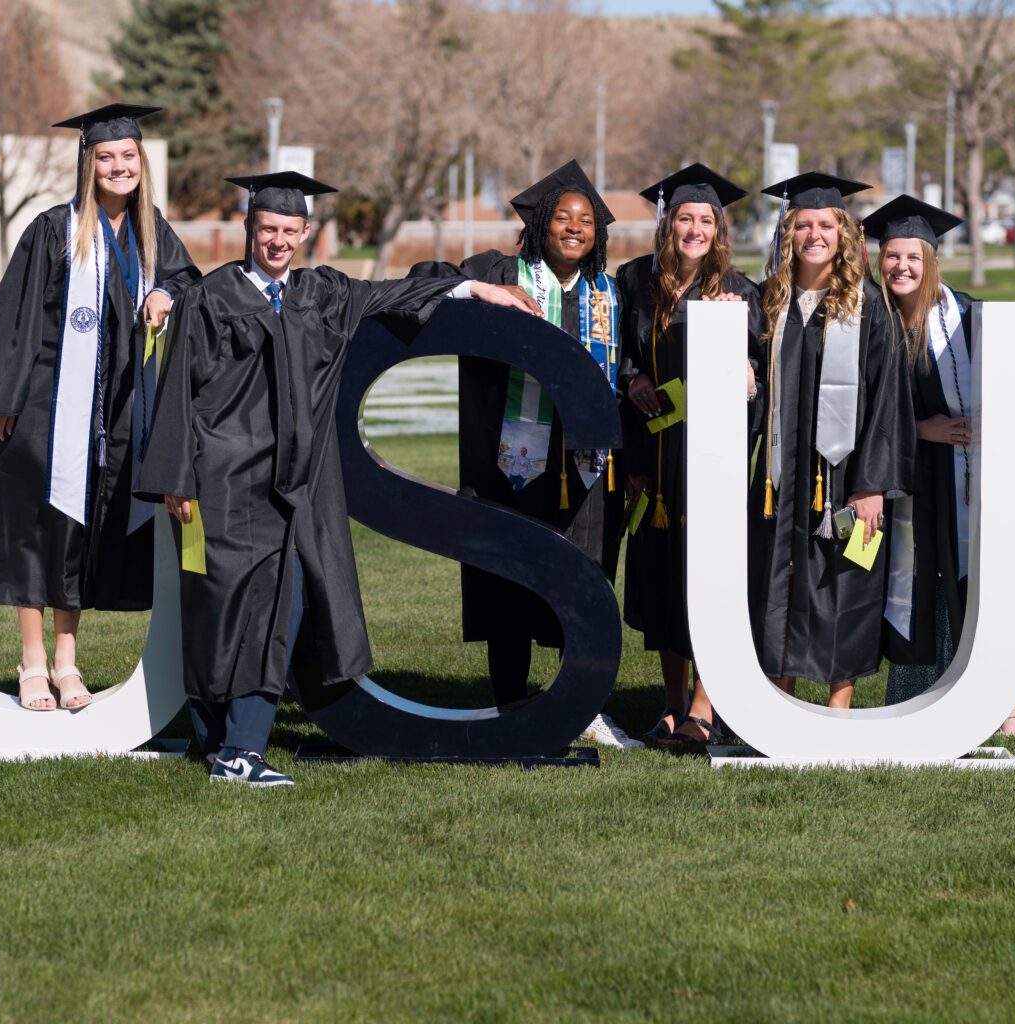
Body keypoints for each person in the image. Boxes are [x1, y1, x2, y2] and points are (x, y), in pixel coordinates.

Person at [138, 171, 536, 787]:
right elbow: (176, 394)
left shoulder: (319, 293)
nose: (277, 241)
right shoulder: (210, 298)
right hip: (221, 480)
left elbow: (392, 293)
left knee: (286, 604)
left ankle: (243, 748)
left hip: (297, 487)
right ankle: (219, 740)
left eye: (289, 231)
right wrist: (176, 477)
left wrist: (475, 290)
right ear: (249, 227)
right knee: (218, 611)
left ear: (304, 233)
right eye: (267, 228)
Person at [0, 103, 200, 712]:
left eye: (128, 156)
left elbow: (191, 284)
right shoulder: (54, 227)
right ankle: (31, 663)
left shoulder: (153, 230)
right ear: (88, 163)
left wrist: (165, 291)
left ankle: (68, 663)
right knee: (34, 531)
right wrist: (2, 399)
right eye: (106, 157)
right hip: (42, 408)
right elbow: (12, 315)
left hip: (113, 414)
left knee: (79, 533)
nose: (118, 167)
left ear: (140, 162)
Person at [409, 160, 636, 748]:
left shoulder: (611, 292)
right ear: (540, 225)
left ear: (598, 234)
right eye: (562, 217)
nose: (574, 228)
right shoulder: (502, 271)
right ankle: (510, 701)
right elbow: (436, 280)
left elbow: (630, 368)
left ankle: (582, 706)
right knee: (507, 578)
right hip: (511, 459)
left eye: (585, 221)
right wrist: (485, 290)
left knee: (581, 581)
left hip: (585, 470)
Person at [866, 195, 1015, 734]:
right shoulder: (872, 326)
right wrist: (921, 430)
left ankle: (1006, 698)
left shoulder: (969, 319)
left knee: (974, 584)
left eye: (914, 258)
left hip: (966, 483)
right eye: (892, 256)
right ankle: (915, 696)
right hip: (906, 479)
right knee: (915, 588)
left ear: (931, 262)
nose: (902, 267)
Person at [751, 173, 915, 710]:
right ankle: (781, 696)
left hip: (844, 478)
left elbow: (888, 399)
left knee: (845, 579)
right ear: (787, 233)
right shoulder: (769, 304)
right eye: (803, 224)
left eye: (826, 224)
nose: (814, 234)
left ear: (843, 233)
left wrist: (872, 484)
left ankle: (837, 704)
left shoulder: (868, 306)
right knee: (782, 581)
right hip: (781, 475)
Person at [615, 164, 764, 749]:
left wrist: (746, 364)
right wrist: (631, 382)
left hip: (712, 460)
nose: (695, 229)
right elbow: (618, 353)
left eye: (706, 220)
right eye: (685, 218)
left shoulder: (741, 291)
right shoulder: (633, 282)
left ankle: (706, 704)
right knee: (662, 577)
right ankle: (673, 706)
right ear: (667, 224)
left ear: (718, 229)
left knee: (712, 574)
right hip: (654, 455)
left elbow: (760, 374)